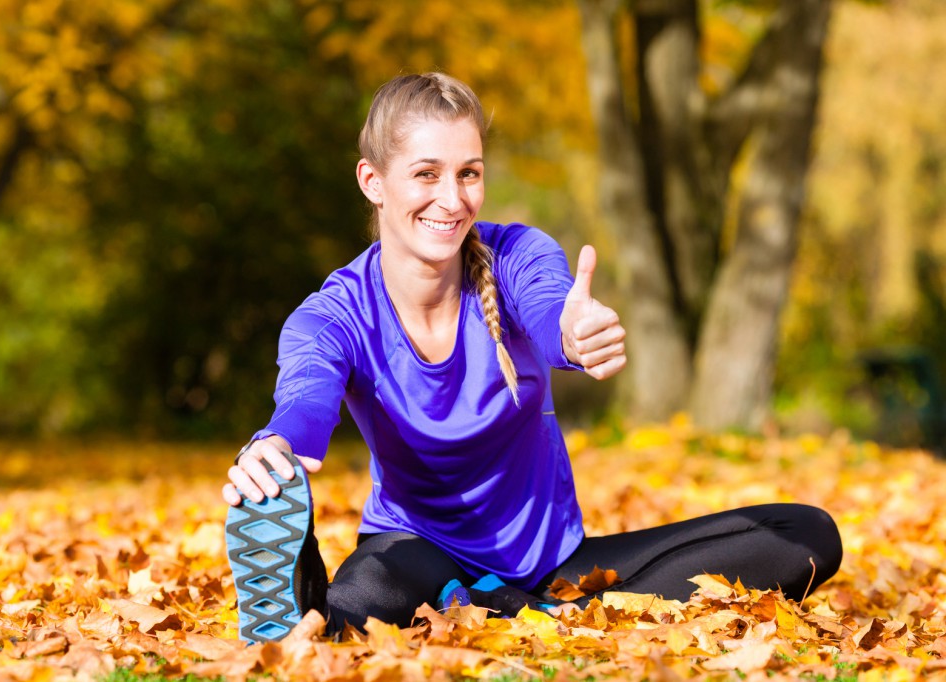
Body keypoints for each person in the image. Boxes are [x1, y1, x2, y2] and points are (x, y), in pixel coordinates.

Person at [221, 72, 842, 643]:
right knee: (369, 589)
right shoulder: (335, 314)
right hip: (417, 551)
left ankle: (519, 610)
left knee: (805, 535)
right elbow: (306, 395)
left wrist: (572, 336)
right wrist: (276, 446)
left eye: (469, 173)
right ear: (372, 182)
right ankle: (308, 611)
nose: (452, 199)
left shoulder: (518, 254)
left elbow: (549, 312)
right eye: (427, 174)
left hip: (553, 562)